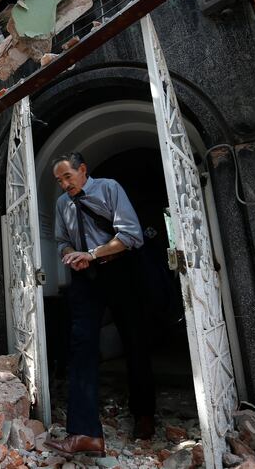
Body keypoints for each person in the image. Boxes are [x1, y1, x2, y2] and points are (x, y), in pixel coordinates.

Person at [44, 152, 157, 456]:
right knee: (81, 347)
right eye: (59, 180)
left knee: (134, 340)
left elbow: (132, 235)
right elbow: (61, 240)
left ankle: (144, 414)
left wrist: (92, 254)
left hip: (121, 270)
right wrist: (70, 254)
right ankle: (86, 434)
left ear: (82, 170)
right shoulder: (61, 204)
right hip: (84, 277)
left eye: (68, 176)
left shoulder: (108, 188)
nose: (64, 184)